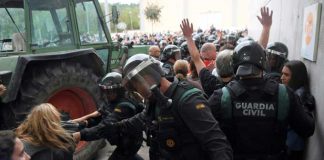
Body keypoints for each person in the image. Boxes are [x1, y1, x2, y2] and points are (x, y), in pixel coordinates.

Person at [103, 54, 233, 160]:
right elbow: (135, 122)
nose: (138, 91)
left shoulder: (187, 100)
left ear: (147, 78)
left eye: (136, 86)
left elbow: (216, 143)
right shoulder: (155, 102)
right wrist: (87, 133)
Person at [208, 41, 315, 160]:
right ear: (264, 63)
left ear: (234, 64)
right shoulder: (284, 94)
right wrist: (304, 105)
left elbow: (204, 133)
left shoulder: (222, 96)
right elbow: (307, 129)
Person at [72, 72, 143, 160]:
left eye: (109, 91)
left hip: (130, 142)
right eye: (105, 91)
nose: (107, 94)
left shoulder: (124, 106)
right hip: (123, 140)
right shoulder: (112, 101)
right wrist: (85, 123)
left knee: (125, 155)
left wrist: (80, 135)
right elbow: (101, 117)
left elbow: (105, 127)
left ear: (119, 91)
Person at [281, 60, 315, 160]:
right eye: (282, 73)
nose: (282, 78)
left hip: (292, 147)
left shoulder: (300, 96)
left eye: (286, 75)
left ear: (296, 77)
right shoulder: (295, 92)